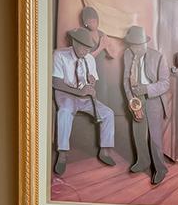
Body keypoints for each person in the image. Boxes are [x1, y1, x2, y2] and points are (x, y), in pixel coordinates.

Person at [52, 26, 117, 175]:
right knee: (64, 112)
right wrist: (79, 91)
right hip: (65, 94)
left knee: (108, 113)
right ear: (74, 42)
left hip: (83, 97)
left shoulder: (89, 58)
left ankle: (104, 152)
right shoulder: (59, 55)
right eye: (83, 47)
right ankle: (62, 154)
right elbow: (56, 83)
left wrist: (91, 82)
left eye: (88, 48)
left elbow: (91, 82)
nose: (85, 51)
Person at [121, 25, 170, 184]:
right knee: (138, 134)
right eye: (132, 46)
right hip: (137, 98)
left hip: (153, 98)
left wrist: (146, 89)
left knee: (155, 138)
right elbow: (125, 81)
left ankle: (161, 169)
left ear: (145, 43)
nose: (135, 49)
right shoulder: (127, 54)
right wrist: (131, 101)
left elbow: (165, 83)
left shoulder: (159, 56)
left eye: (138, 46)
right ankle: (143, 162)